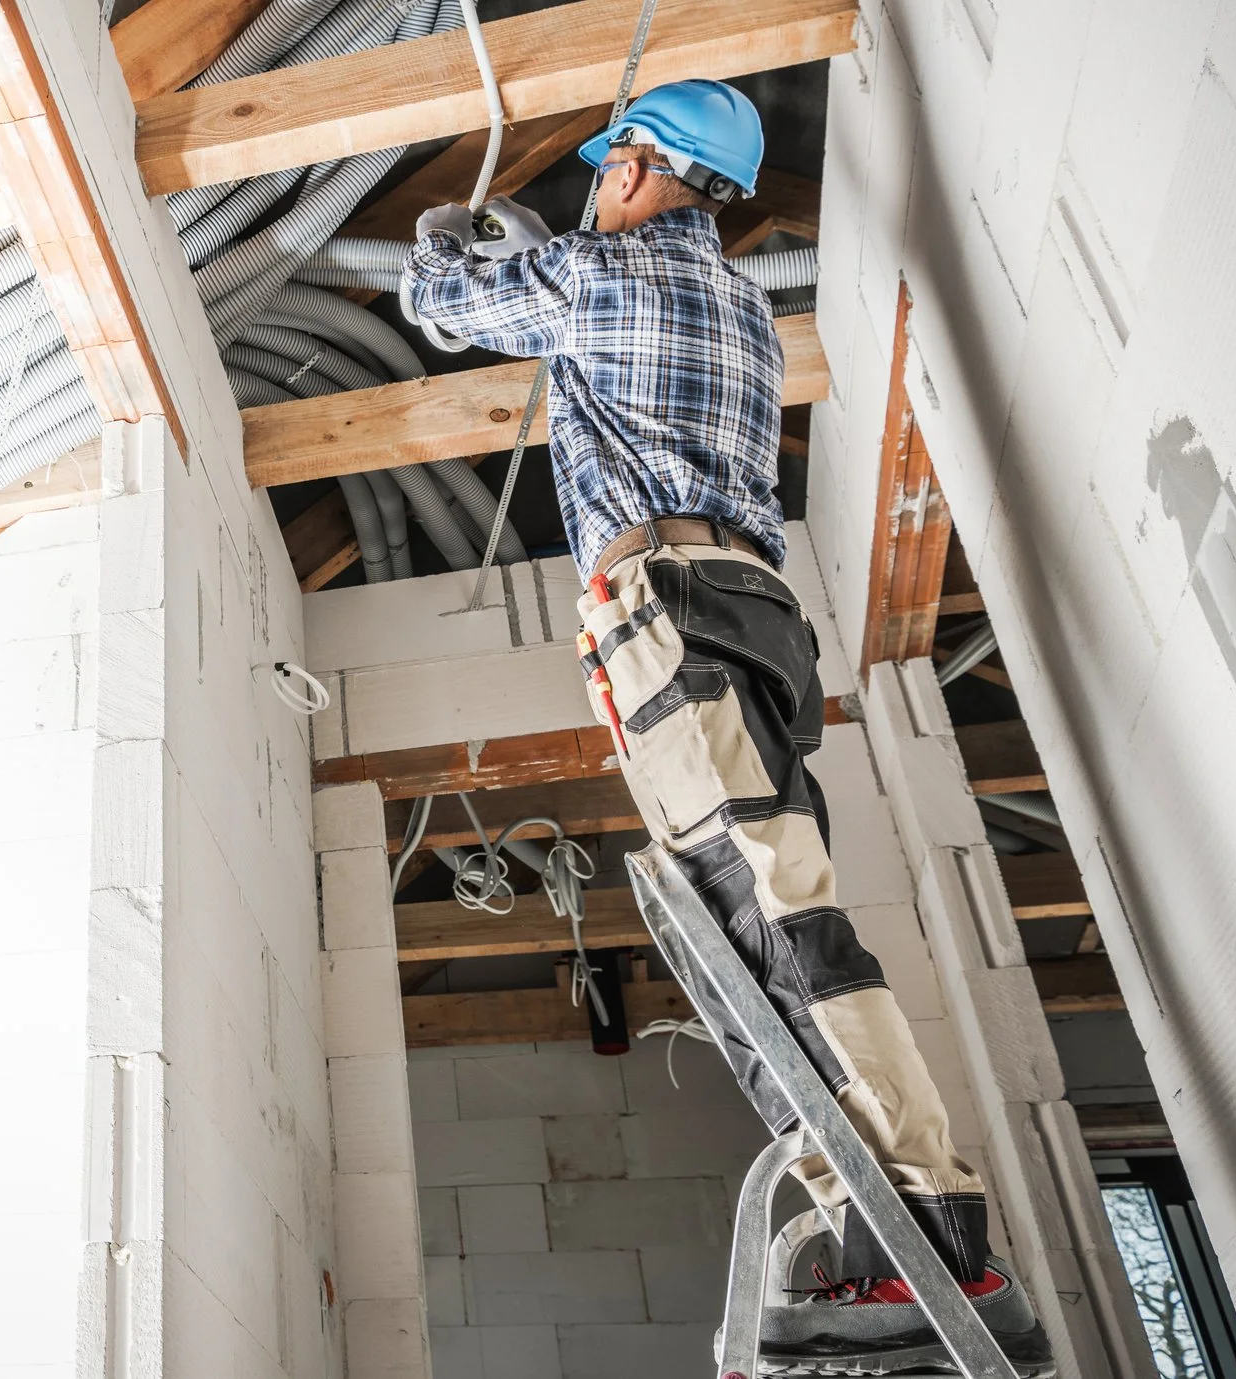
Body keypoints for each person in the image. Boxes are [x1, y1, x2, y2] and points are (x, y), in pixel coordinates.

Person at [404, 80, 1051, 1377]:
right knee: (749, 935)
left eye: (609, 168)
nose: (599, 186)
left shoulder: (619, 279)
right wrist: (528, 254)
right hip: (743, 616)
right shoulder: (737, 308)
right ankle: (858, 1223)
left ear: (641, 170)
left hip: (675, 617)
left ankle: (929, 1222)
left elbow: (446, 306)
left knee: (772, 911)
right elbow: (571, 301)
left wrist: (450, 242)